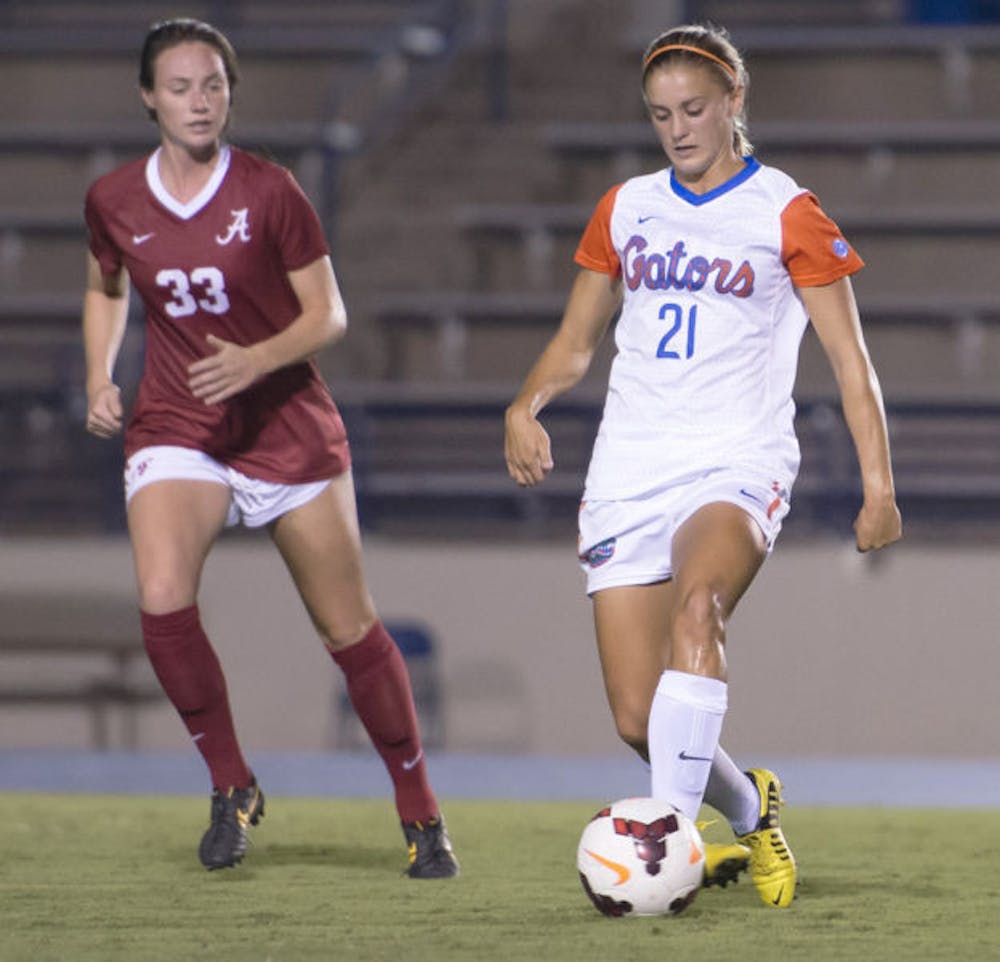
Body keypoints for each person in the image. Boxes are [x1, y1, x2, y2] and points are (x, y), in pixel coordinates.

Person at [505, 23, 901, 908]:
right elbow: (576, 344)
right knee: (641, 719)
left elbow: (850, 361)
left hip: (736, 460)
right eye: (660, 116)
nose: (678, 129)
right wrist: (523, 406)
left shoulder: (785, 210)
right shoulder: (626, 206)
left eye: (693, 110)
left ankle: (663, 858)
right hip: (628, 472)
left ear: (734, 103)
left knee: (700, 608)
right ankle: (749, 812)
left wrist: (880, 487)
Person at [82, 18, 458, 879]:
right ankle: (230, 784)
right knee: (163, 595)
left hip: (285, 426)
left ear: (229, 91)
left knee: (348, 628)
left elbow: (327, 314)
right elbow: (105, 285)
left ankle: (420, 810)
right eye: (179, 87)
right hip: (181, 423)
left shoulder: (270, 190)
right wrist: (103, 372)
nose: (199, 101)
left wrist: (256, 357)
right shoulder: (114, 199)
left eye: (212, 84)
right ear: (149, 98)